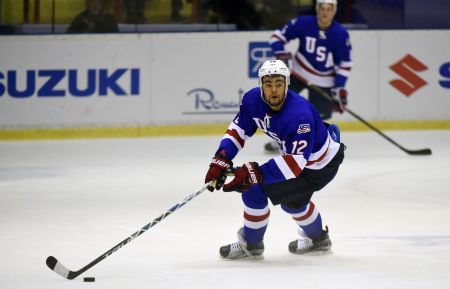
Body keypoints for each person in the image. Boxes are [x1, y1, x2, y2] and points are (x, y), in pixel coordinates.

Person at [204, 59, 345, 259]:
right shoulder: (252, 100)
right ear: (260, 85)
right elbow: (238, 130)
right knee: (292, 203)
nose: (274, 90)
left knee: (254, 189)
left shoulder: (299, 115)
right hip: (301, 160)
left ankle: (251, 245)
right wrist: (221, 158)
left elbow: (294, 165)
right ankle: (319, 240)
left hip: (319, 166)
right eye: (268, 84)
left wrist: (255, 173)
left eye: (279, 84)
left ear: (287, 85)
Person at [264, 0, 352, 153]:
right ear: (317, 9)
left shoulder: (340, 34)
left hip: (324, 80)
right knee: (283, 106)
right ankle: (280, 141)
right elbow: (276, 37)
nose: (325, 12)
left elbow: (344, 63)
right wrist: (281, 53)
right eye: (322, 8)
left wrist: (339, 88)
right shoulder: (303, 23)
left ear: (334, 11)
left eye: (329, 9)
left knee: (320, 118)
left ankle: (316, 145)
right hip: (298, 72)